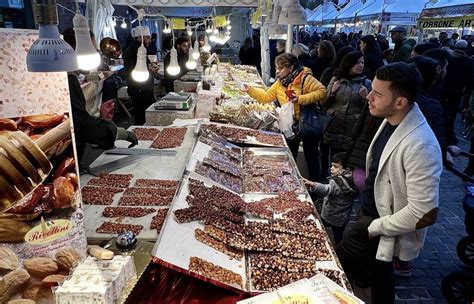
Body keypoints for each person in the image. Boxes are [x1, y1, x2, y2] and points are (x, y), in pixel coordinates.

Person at [335, 62, 443, 303]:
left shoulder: (421, 145)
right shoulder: (390, 120)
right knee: (379, 276)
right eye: (371, 89)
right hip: (370, 214)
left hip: (377, 223)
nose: (369, 97)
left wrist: (375, 227)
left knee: (335, 268)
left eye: (378, 93)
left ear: (400, 102)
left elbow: (425, 212)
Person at [243, 53, 327, 181]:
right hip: (290, 125)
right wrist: (250, 89)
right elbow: (266, 97)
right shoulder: (279, 82)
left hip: (307, 122)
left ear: (291, 68)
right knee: (290, 155)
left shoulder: (305, 78)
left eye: (280, 68)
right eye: (276, 67)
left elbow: (322, 91)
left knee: (311, 156)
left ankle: (315, 187)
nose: (277, 71)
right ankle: (290, 182)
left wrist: (300, 99)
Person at [62, 28, 138, 166]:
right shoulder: (65, 79)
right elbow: (80, 123)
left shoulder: (68, 75)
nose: (96, 53)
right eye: (93, 49)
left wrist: (103, 121)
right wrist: (117, 133)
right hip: (62, 158)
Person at [304, 152, 358, 244]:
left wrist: (313, 184)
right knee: (338, 233)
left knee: (322, 228)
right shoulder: (353, 181)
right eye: (331, 165)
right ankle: (338, 244)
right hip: (342, 217)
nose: (331, 168)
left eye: (336, 166)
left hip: (330, 215)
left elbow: (326, 189)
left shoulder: (337, 182)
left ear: (346, 169)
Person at [325, 51, 372, 156]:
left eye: (362, 63)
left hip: (352, 128)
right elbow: (323, 103)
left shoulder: (367, 83)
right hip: (334, 127)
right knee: (331, 160)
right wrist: (332, 92)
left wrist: (365, 98)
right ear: (349, 64)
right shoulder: (336, 79)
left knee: (347, 160)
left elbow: (372, 109)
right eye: (357, 63)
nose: (361, 65)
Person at [123, 25, 156, 125]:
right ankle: (142, 135)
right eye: (147, 37)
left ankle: (141, 134)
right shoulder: (138, 49)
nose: (149, 40)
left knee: (140, 113)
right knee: (143, 115)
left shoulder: (134, 48)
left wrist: (151, 68)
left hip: (138, 87)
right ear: (141, 37)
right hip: (140, 88)